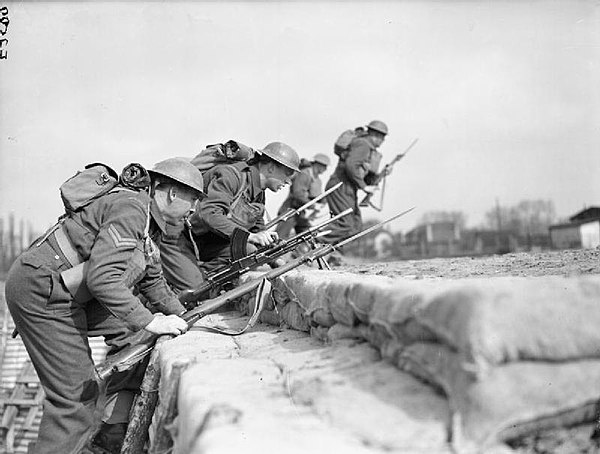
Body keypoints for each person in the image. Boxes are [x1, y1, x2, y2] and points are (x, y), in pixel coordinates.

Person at [4, 158, 205, 454]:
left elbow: (152, 280)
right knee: (75, 400)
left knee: (138, 339)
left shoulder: (149, 221)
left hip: (68, 291)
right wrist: (151, 321)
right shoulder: (132, 208)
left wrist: (185, 317)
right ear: (172, 194)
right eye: (193, 200)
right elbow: (102, 279)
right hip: (43, 291)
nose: (194, 209)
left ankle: (109, 435)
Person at [160, 141, 300, 292]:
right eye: (287, 174)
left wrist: (275, 257)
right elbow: (209, 213)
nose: (288, 181)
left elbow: (258, 231)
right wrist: (250, 236)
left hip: (206, 243)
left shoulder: (259, 194)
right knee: (197, 291)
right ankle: (175, 286)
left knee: (249, 251)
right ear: (271, 167)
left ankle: (194, 280)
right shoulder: (231, 176)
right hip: (179, 237)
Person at [322, 120, 388, 245]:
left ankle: (331, 252)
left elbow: (364, 174)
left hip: (346, 188)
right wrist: (363, 187)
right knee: (346, 224)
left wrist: (383, 173)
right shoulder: (363, 145)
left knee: (355, 226)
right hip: (340, 186)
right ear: (376, 135)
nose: (382, 141)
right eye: (382, 137)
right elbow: (351, 165)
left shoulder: (365, 147)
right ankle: (311, 244)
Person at [275, 153, 331, 239]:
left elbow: (317, 196)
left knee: (308, 237)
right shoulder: (304, 174)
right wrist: (313, 205)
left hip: (301, 214)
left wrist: (324, 201)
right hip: (290, 210)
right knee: (279, 237)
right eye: (324, 166)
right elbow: (298, 194)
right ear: (318, 164)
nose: (325, 169)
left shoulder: (317, 180)